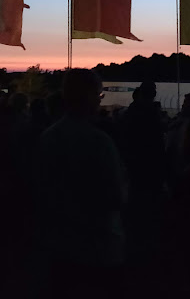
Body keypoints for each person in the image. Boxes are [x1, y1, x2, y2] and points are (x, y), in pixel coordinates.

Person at [36, 69, 126, 299]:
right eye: (99, 94)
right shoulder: (99, 141)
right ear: (87, 97)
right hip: (98, 244)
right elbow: (116, 196)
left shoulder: (48, 137)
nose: (99, 100)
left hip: (59, 242)